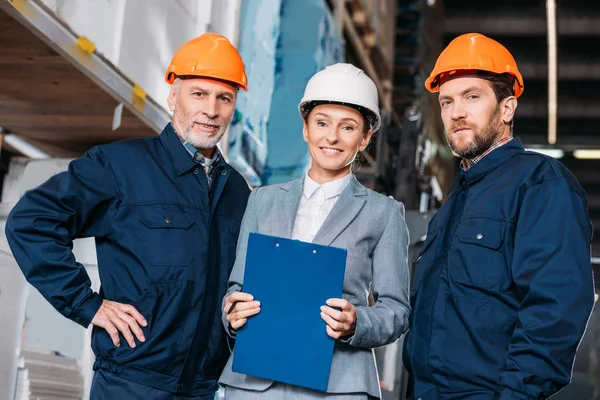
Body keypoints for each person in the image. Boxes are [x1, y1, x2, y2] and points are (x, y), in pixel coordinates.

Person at [5, 33, 251, 399]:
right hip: (130, 386)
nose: (211, 110)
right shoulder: (121, 166)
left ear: (233, 108)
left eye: (224, 98)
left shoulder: (238, 191)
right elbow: (31, 221)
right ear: (173, 97)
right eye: (198, 94)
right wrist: (87, 305)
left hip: (204, 389)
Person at [402, 32, 595, 400]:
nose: (456, 112)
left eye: (472, 97)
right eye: (446, 102)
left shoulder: (540, 183)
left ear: (507, 109)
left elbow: (554, 311)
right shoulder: (453, 203)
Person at [218, 63, 411, 399]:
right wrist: (232, 312)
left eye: (348, 127)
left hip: (337, 385)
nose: (332, 137)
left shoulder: (384, 213)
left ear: (365, 137)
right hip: (254, 383)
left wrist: (356, 323)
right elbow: (238, 286)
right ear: (306, 129)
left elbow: (396, 310)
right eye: (322, 123)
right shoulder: (262, 201)